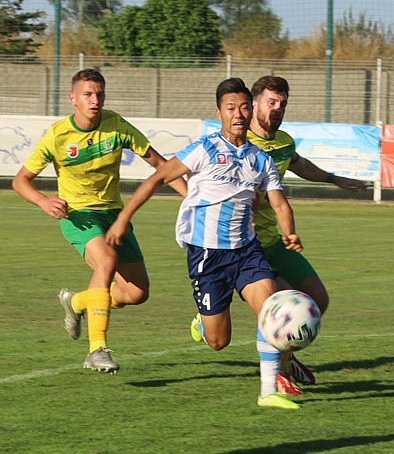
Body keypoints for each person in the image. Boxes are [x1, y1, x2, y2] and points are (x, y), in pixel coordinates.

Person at [105, 77, 302, 409]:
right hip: (207, 255)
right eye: (230, 108)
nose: (238, 114)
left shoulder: (260, 159)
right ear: (219, 113)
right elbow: (156, 179)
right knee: (217, 341)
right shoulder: (205, 149)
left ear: (251, 110)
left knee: (270, 309)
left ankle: (269, 391)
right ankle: (204, 316)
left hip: (246, 250)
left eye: (243, 107)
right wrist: (123, 218)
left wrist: (289, 231)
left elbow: (279, 203)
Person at [191, 75, 367, 395]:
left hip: (276, 241)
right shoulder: (239, 145)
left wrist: (333, 178)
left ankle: (283, 357)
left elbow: (298, 164)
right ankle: (278, 373)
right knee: (280, 310)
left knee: (318, 301)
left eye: (282, 103)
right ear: (253, 104)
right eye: (271, 102)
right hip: (246, 244)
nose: (277, 109)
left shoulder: (284, 141)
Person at [12, 68, 187, 374]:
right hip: (78, 215)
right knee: (106, 261)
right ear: (73, 99)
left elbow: (160, 165)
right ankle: (97, 349)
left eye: (100, 94)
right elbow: (21, 180)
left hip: (114, 215)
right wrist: (43, 200)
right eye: (88, 95)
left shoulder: (116, 125)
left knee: (136, 293)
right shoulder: (57, 135)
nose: (95, 100)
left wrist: (191, 198)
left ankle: (77, 302)